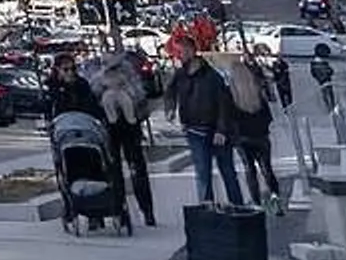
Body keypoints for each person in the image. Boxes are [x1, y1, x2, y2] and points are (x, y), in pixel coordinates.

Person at [84, 45, 159, 227]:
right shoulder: (96, 73)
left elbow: (140, 94)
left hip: (130, 126)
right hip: (110, 129)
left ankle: (147, 210)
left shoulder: (127, 71)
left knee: (137, 168)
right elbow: (94, 95)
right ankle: (119, 210)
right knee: (113, 170)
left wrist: (127, 91)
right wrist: (104, 87)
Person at [172, 41, 240, 208]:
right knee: (203, 173)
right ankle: (207, 208)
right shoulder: (181, 75)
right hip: (194, 130)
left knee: (227, 171)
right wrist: (172, 111)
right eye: (180, 52)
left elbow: (224, 103)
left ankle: (237, 205)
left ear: (194, 52)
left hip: (215, 129)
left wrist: (221, 129)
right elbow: (171, 93)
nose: (182, 55)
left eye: (185, 51)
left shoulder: (212, 76)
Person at [227, 45, 279, 202]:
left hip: (243, 138)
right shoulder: (257, 95)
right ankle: (276, 199)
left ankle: (256, 202)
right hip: (261, 136)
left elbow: (229, 119)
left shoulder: (232, 97)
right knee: (267, 168)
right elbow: (268, 117)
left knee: (249, 170)